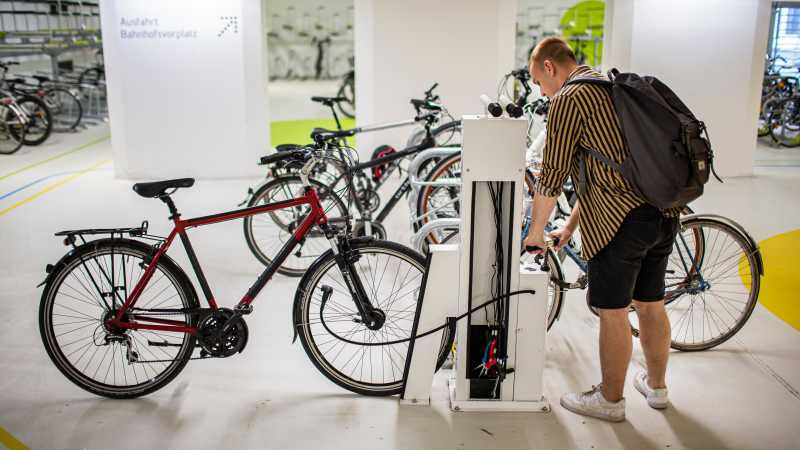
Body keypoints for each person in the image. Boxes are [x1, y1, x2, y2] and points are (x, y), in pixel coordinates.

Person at [523, 37, 682, 422]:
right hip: (663, 212)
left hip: (620, 224)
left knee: (612, 312)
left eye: (538, 83)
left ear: (549, 67)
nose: (541, 92)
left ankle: (610, 400)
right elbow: (607, 171)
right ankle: (656, 388)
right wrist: (570, 225)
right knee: (650, 303)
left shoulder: (568, 99)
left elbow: (553, 176)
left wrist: (535, 232)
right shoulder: (610, 86)